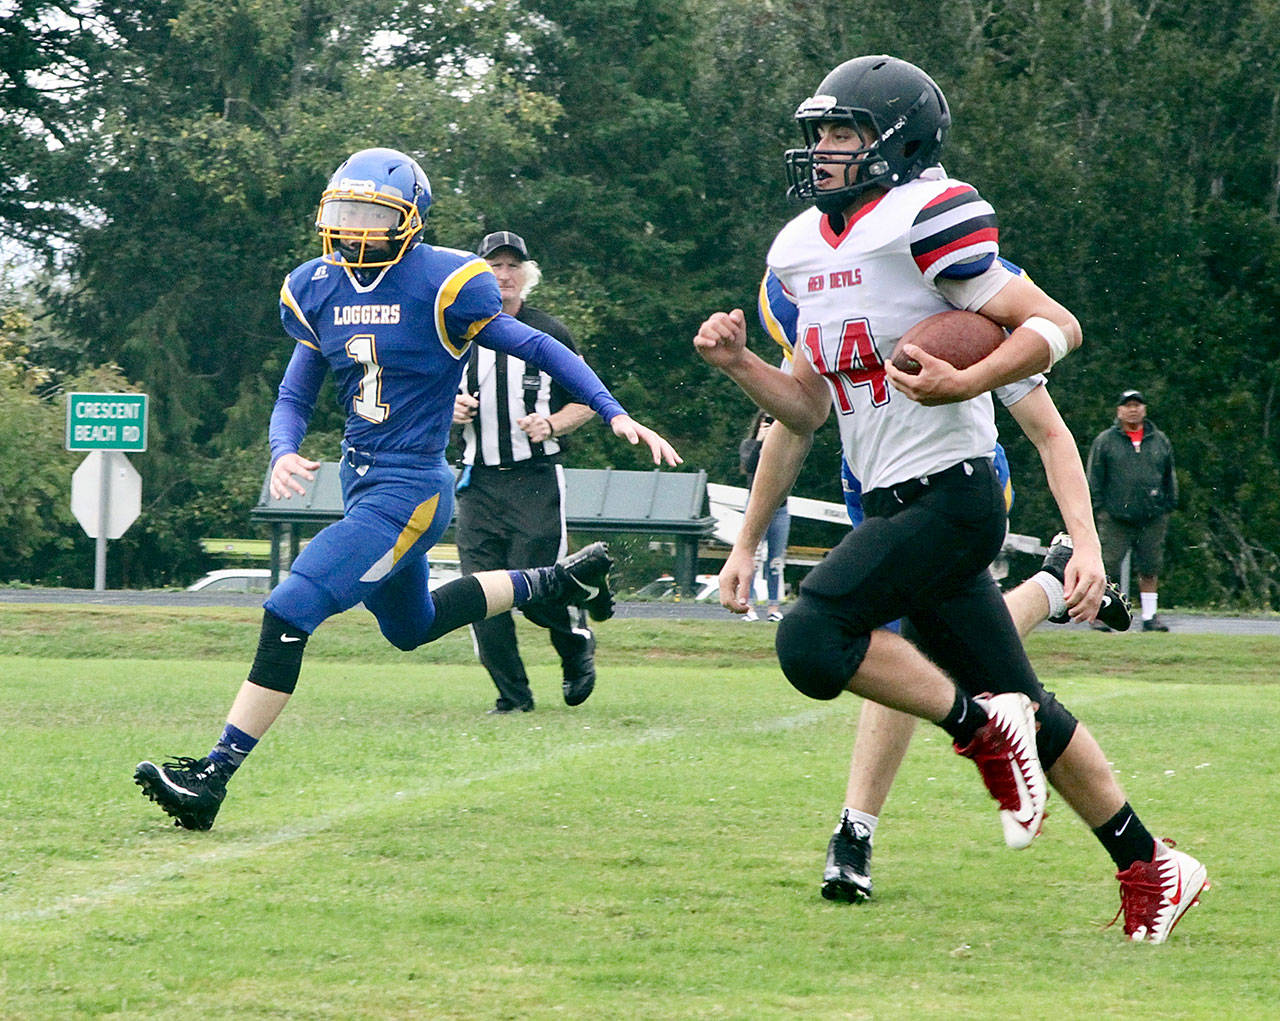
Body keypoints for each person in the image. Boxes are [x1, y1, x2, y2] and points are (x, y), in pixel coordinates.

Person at [694, 56, 1205, 942]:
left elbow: (1056, 326)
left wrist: (968, 372)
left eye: (844, 132)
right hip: (891, 503)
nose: (823, 150)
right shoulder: (798, 248)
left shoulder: (929, 215)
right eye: (818, 132)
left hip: (956, 497)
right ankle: (1150, 861)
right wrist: (741, 369)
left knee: (813, 641)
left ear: (899, 142)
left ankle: (978, 731)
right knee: (1029, 704)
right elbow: (808, 407)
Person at [134, 147, 679, 831]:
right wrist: (282, 449)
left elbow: (536, 347)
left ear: (411, 219)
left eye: (373, 213)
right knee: (411, 626)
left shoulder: (445, 282)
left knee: (289, 608)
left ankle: (212, 774)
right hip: (363, 482)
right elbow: (293, 393)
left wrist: (611, 407)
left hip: (413, 485)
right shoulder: (318, 285)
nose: (356, 227)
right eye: (347, 211)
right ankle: (557, 582)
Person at [453, 230, 600, 714]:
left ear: (526, 275)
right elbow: (418, 397)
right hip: (476, 481)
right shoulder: (454, 335)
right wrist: (447, 409)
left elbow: (589, 399)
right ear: (477, 275)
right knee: (480, 597)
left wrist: (552, 422)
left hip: (534, 480)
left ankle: (575, 641)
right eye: (494, 266)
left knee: (535, 590)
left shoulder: (549, 333)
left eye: (512, 266)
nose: (504, 275)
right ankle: (513, 698)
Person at [1087, 389, 1177, 631]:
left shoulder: (1159, 440)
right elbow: (1094, 477)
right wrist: (1099, 510)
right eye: (1127, 405)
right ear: (1119, 410)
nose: (1133, 409)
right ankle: (1101, 614)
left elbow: (1169, 475)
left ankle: (1150, 617)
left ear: (1144, 409)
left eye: (1137, 404)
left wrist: (1167, 506)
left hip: (1152, 516)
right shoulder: (1105, 441)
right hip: (1116, 516)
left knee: (1150, 567)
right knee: (1108, 567)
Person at [737, 409, 792, 621]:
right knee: (750, 557)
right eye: (766, 420)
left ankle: (773, 607)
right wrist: (760, 441)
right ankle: (747, 605)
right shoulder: (748, 445)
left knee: (775, 560)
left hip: (780, 507)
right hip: (755, 506)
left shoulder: (786, 446)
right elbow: (750, 466)